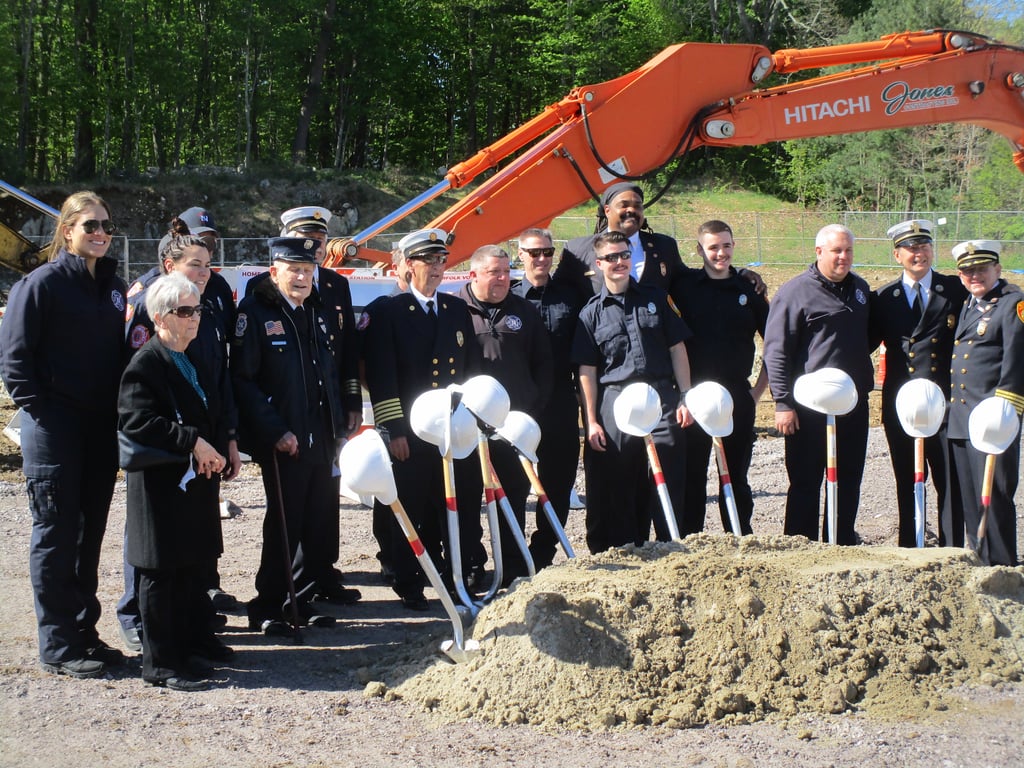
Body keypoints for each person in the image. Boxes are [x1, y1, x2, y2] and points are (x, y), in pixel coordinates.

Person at [0, 191, 127, 678]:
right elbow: (16, 362)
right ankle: (57, 644)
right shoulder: (40, 285)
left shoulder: (113, 287)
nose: (100, 233)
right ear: (67, 230)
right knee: (56, 535)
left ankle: (84, 633)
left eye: (106, 225)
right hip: (55, 430)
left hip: (99, 430)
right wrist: (47, 415)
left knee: (88, 536)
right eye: (90, 225)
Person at [116, 233, 242, 651]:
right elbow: (137, 412)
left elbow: (217, 388)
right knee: (159, 563)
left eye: (197, 311)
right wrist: (192, 441)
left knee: (194, 557)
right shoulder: (149, 350)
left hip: (198, 465)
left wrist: (224, 439)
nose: (195, 317)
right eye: (186, 312)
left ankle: (193, 639)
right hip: (163, 469)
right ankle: (159, 650)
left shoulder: (194, 341)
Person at [247, 205, 363, 606]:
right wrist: (272, 427)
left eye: (318, 241)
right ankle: (279, 596)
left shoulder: (329, 291)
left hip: (324, 418)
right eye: (303, 240)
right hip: (286, 420)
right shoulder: (262, 294)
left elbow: (342, 353)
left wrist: (348, 402)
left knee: (323, 504)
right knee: (288, 513)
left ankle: (318, 579)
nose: (311, 250)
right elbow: (251, 372)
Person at [232, 237, 348, 634]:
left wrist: (337, 429)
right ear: (274, 271)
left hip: (320, 436)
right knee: (284, 524)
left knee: (314, 524)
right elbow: (243, 380)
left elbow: (328, 373)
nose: (301, 277)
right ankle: (266, 605)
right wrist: (275, 431)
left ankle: (299, 599)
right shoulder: (256, 312)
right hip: (285, 440)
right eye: (293, 270)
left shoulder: (315, 311)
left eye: (307, 270)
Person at [361, 228, 479, 609]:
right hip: (408, 430)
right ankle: (406, 578)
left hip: (449, 429)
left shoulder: (455, 310)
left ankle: (453, 575)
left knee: (449, 504)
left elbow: (469, 370)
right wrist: (393, 431)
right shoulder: (389, 311)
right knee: (408, 504)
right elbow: (382, 377)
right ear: (409, 265)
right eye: (429, 260)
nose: (438, 267)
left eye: (442, 260)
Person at [571, 230, 694, 554]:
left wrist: (685, 396)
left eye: (624, 255)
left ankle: (672, 549)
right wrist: (591, 421)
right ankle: (630, 551)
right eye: (611, 257)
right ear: (599, 264)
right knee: (620, 479)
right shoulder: (590, 313)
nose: (620, 262)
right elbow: (587, 371)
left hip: (662, 397)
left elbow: (677, 348)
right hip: (615, 399)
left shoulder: (656, 298)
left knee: (669, 475)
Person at [763, 224, 873, 545]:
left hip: (852, 405)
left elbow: (866, 337)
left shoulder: (861, 289)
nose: (843, 257)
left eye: (848, 250)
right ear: (819, 251)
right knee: (805, 482)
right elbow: (776, 351)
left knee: (848, 480)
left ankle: (841, 542)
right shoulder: (794, 293)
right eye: (836, 251)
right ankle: (800, 546)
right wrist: (783, 402)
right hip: (807, 409)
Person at [457, 244, 553, 586]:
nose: (502, 278)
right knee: (467, 498)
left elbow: (544, 364)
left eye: (505, 272)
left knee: (512, 497)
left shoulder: (524, 310)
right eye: (493, 272)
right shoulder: (454, 310)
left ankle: (512, 565)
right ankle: (470, 566)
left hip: (512, 425)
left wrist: (532, 409)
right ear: (473, 274)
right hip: (467, 427)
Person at [870, 220, 968, 547]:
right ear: (897, 255)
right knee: (908, 480)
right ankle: (910, 549)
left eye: (924, 246)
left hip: (944, 404)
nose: (919, 254)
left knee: (949, 482)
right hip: (901, 405)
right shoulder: (884, 298)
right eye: (911, 248)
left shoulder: (954, 290)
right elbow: (861, 342)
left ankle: (952, 549)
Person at [675, 221, 769, 535]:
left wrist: (757, 393)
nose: (720, 253)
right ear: (699, 250)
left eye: (726, 246)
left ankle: (740, 536)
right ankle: (691, 540)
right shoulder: (684, 286)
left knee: (735, 476)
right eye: (713, 247)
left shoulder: (749, 289)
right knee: (692, 475)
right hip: (694, 396)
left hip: (738, 396)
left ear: (733, 246)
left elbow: (775, 344)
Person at [510, 228, 585, 569]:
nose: (542, 259)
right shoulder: (509, 297)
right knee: (513, 481)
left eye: (548, 252)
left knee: (558, 480)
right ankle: (513, 557)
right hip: (518, 404)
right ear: (520, 254)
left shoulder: (572, 296)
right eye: (534, 252)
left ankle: (543, 552)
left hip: (560, 400)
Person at [947, 240, 1023, 566]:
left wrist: (1006, 413)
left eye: (981, 269)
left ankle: (1003, 566)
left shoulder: (1012, 303)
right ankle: (979, 561)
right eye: (967, 271)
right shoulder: (968, 303)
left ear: (997, 269)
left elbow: (1017, 362)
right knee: (970, 497)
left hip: (993, 418)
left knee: (994, 495)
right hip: (962, 416)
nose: (974, 275)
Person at [356, 246, 410, 584]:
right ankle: (390, 556)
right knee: (392, 489)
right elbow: (365, 367)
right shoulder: (380, 309)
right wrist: (389, 413)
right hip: (394, 413)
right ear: (396, 265)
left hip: (430, 419)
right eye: (411, 261)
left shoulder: (440, 308)